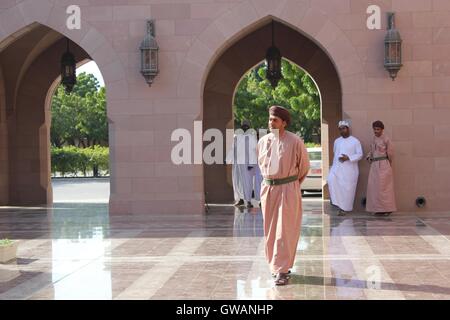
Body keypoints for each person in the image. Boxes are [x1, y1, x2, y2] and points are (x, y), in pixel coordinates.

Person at [257, 105, 310, 286]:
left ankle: (282, 270)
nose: (271, 122)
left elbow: (303, 167)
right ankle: (275, 266)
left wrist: (291, 185)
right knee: (270, 231)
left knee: (284, 230)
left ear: (284, 123)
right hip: (268, 190)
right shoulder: (263, 141)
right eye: (270, 119)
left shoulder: (295, 141)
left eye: (275, 120)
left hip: (288, 189)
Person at [327, 120, 363, 216]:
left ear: (347, 129)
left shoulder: (355, 141)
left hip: (350, 170)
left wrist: (348, 158)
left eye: (343, 128)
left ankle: (344, 209)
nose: (342, 130)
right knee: (331, 179)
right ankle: (337, 203)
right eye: (340, 129)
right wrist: (333, 167)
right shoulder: (337, 141)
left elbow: (360, 154)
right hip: (337, 168)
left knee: (347, 190)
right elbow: (335, 154)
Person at [365, 120, 396, 216]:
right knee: (374, 187)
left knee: (384, 187)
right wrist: (369, 156)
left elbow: (390, 153)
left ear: (382, 129)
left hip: (384, 165)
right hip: (374, 166)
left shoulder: (386, 139)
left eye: (378, 129)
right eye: (374, 129)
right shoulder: (374, 139)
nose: (376, 131)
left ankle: (388, 209)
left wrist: (387, 164)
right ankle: (378, 209)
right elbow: (371, 150)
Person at [226, 120, 257, 208]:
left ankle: (248, 201)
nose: (245, 127)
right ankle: (240, 199)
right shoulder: (236, 136)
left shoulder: (251, 137)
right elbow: (233, 149)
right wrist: (227, 160)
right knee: (237, 181)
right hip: (237, 164)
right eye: (244, 126)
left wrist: (252, 163)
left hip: (247, 164)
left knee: (247, 182)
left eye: (247, 126)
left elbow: (253, 151)